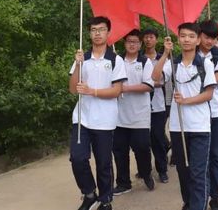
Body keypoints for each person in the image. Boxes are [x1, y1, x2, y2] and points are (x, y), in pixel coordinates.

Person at [152, 23, 216, 210]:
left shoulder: (205, 63)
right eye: (182, 36)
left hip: (200, 127)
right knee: (183, 171)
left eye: (190, 36)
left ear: (198, 39)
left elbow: (209, 94)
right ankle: (188, 204)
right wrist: (164, 54)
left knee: (197, 172)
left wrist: (186, 100)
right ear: (178, 39)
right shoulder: (173, 63)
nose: (186, 39)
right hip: (178, 127)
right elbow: (155, 77)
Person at [69, 16, 127, 210]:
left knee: (103, 162)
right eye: (94, 30)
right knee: (78, 158)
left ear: (108, 33)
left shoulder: (115, 59)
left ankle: (105, 199)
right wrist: (77, 65)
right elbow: (72, 88)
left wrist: (92, 91)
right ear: (89, 33)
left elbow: (117, 90)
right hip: (82, 118)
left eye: (101, 29)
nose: (97, 33)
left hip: (104, 119)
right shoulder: (82, 58)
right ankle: (89, 193)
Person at [113, 29, 156, 195]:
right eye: (129, 41)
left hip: (140, 116)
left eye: (135, 42)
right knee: (119, 151)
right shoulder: (117, 61)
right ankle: (123, 182)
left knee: (142, 148)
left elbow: (148, 86)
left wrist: (125, 88)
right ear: (124, 43)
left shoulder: (145, 62)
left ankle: (146, 173)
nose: (132, 44)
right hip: (118, 116)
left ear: (140, 44)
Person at [197, 20, 218, 210]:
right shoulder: (190, 52)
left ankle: (215, 196)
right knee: (199, 157)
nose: (209, 41)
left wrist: (194, 85)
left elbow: (216, 79)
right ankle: (198, 194)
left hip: (215, 110)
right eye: (206, 37)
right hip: (195, 111)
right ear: (199, 34)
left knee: (215, 154)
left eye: (213, 38)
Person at [143, 28, 169, 184]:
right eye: (145, 37)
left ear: (156, 39)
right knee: (143, 140)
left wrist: (150, 83)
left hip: (159, 105)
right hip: (140, 106)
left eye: (151, 37)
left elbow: (162, 81)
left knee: (158, 137)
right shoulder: (139, 59)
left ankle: (162, 169)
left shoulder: (163, 59)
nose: (148, 40)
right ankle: (144, 169)